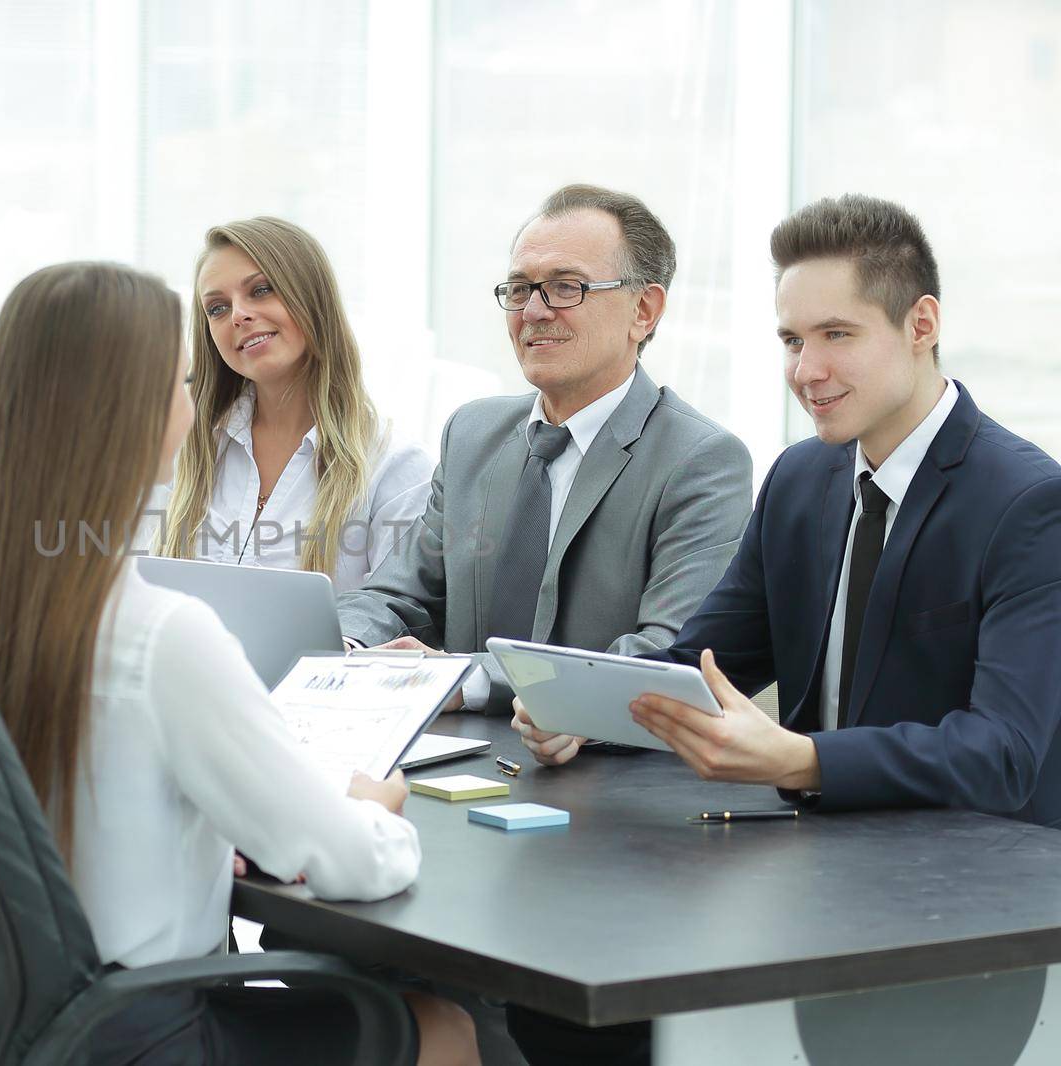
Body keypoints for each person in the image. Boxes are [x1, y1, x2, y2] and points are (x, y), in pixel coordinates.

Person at [0, 261, 478, 1065]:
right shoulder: (160, 633)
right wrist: (375, 810)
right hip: (138, 1032)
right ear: (136, 412)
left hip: (10, 1018)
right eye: (181, 381)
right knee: (445, 1029)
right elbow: (350, 862)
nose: (196, 400)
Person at [612, 194, 1061, 826]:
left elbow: (1004, 753)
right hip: (816, 860)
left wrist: (804, 759)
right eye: (792, 340)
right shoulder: (799, 478)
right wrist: (582, 713)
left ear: (921, 326)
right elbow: (706, 664)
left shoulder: (1030, 503)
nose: (806, 370)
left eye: (837, 335)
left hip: (974, 880)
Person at [339, 184, 753, 716]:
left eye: (565, 287)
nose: (533, 311)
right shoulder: (473, 434)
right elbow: (401, 596)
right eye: (519, 289)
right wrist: (350, 647)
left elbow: (664, 656)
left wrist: (476, 680)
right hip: (452, 756)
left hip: (605, 771)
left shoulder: (700, 460)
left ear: (644, 311)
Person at [156, 217, 433, 591]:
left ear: (311, 297)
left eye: (260, 290)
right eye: (217, 308)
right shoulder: (182, 455)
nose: (238, 315)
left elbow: (396, 614)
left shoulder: (394, 466)